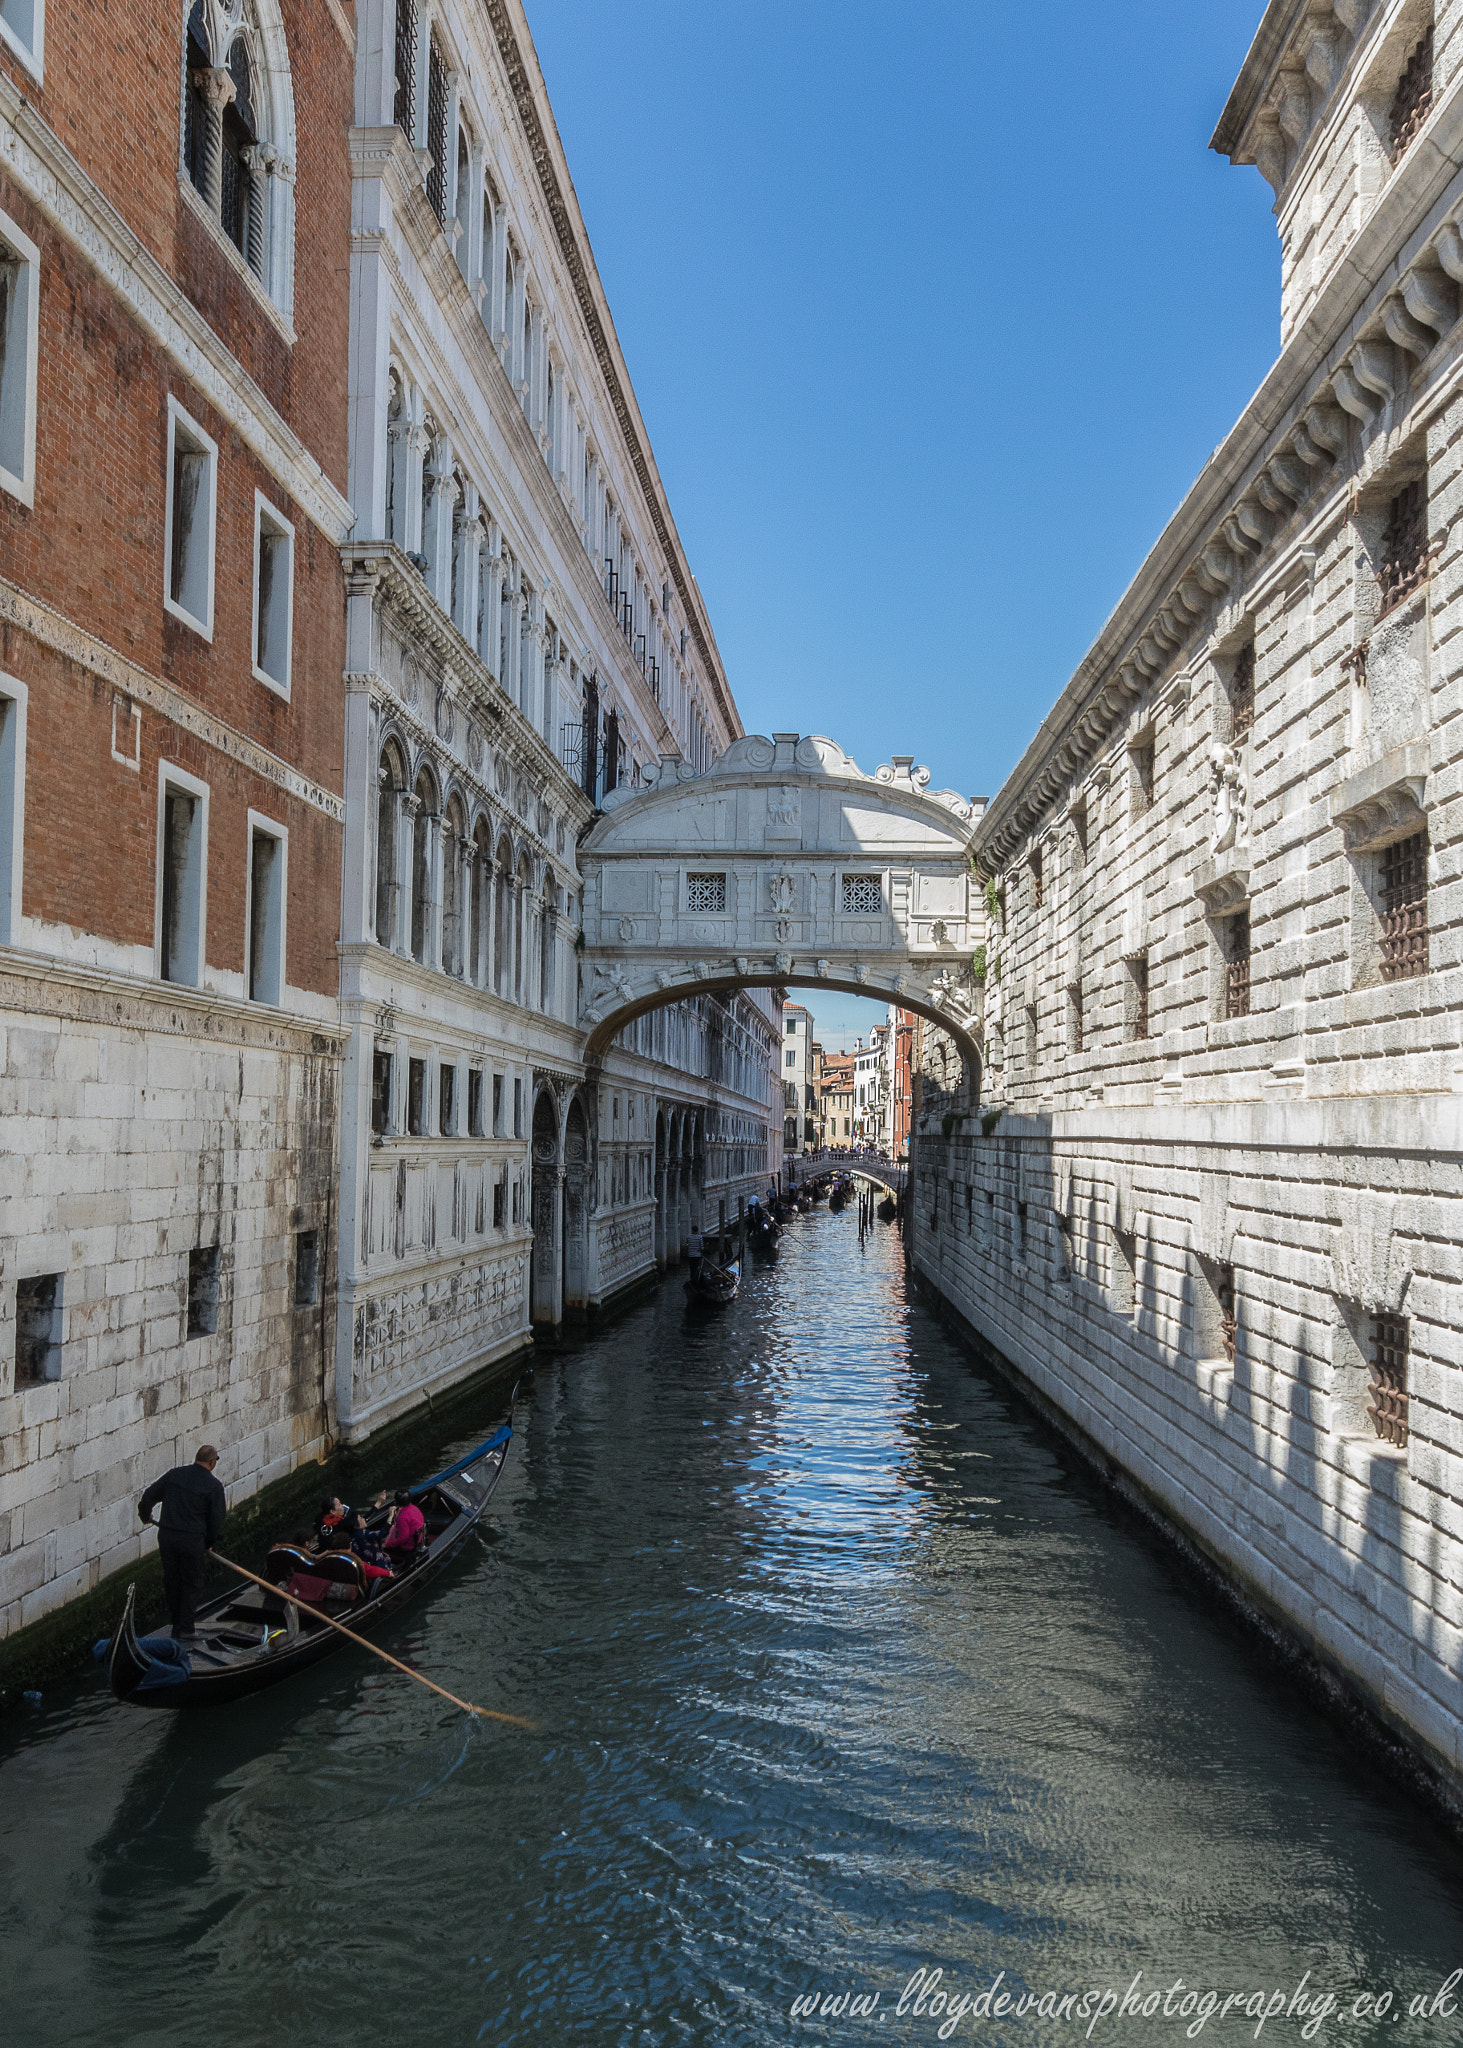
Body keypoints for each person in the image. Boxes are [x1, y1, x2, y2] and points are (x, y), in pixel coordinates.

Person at [137, 1445, 226, 1642]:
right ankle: (185, 1628)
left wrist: (145, 1515)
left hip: (167, 1536)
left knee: (172, 1581)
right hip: (191, 1540)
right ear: (212, 1462)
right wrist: (208, 1543)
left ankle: (177, 1625)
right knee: (191, 1583)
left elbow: (148, 1496)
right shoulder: (213, 1486)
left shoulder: (174, 1475)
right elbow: (216, 1519)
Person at [344, 1510, 393, 1582]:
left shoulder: (351, 1537)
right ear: (355, 1525)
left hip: (364, 1562)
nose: (363, 1519)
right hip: (375, 1563)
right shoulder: (362, 1533)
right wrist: (391, 1516)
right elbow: (381, 1533)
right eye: (361, 1518)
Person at [383, 1490, 426, 1560]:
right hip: (418, 1538)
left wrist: (387, 1544)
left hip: (408, 1546)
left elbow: (403, 1538)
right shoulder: (414, 1508)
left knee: (383, 1546)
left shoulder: (402, 1518)